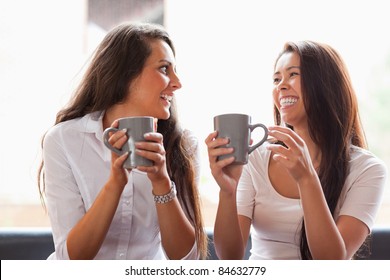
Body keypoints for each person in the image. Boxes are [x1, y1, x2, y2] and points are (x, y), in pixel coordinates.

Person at [38, 22, 207, 260]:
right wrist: (115, 184)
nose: (177, 83)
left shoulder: (184, 145)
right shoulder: (63, 140)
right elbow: (70, 260)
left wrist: (161, 181)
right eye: (164, 69)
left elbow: (188, 260)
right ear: (125, 75)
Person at [205, 41, 387, 260]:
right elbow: (229, 258)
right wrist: (227, 191)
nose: (281, 86)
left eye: (292, 74)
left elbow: (332, 263)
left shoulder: (368, 169)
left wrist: (307, 179)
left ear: (325, 84)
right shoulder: (256, 159)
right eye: (276, 79)